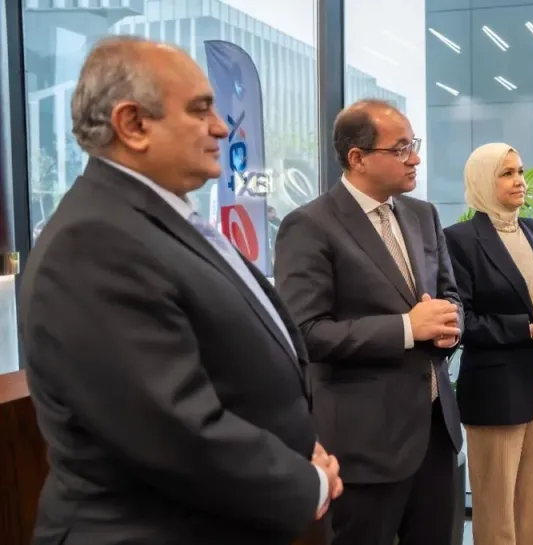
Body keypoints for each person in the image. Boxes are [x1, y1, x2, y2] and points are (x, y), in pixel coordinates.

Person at [19, 36, 341, 545]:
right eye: (199, 109)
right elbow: (170, 427)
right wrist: (306, 482)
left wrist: (299, 447)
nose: (221, 127)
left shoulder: (159, 220)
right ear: (133, 124)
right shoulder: (95, 241)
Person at [274, 99, 464, 545]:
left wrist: (450, 325)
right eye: (401, 149)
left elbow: (451, 297)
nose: (415, 159)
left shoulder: (423, 215)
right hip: (365, 446)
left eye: (414, 145)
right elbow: (305, 332)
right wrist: (407, 328)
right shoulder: (309, 226)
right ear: (357, 158)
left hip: (436, 435)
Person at [443, 143, 533, 545]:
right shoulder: (460, 239)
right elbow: (463, 319)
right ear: (482, 181)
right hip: (497, 392)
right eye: (506, 174)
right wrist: (527, 330)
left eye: (520, 171)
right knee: (496, 511)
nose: (520, 181)